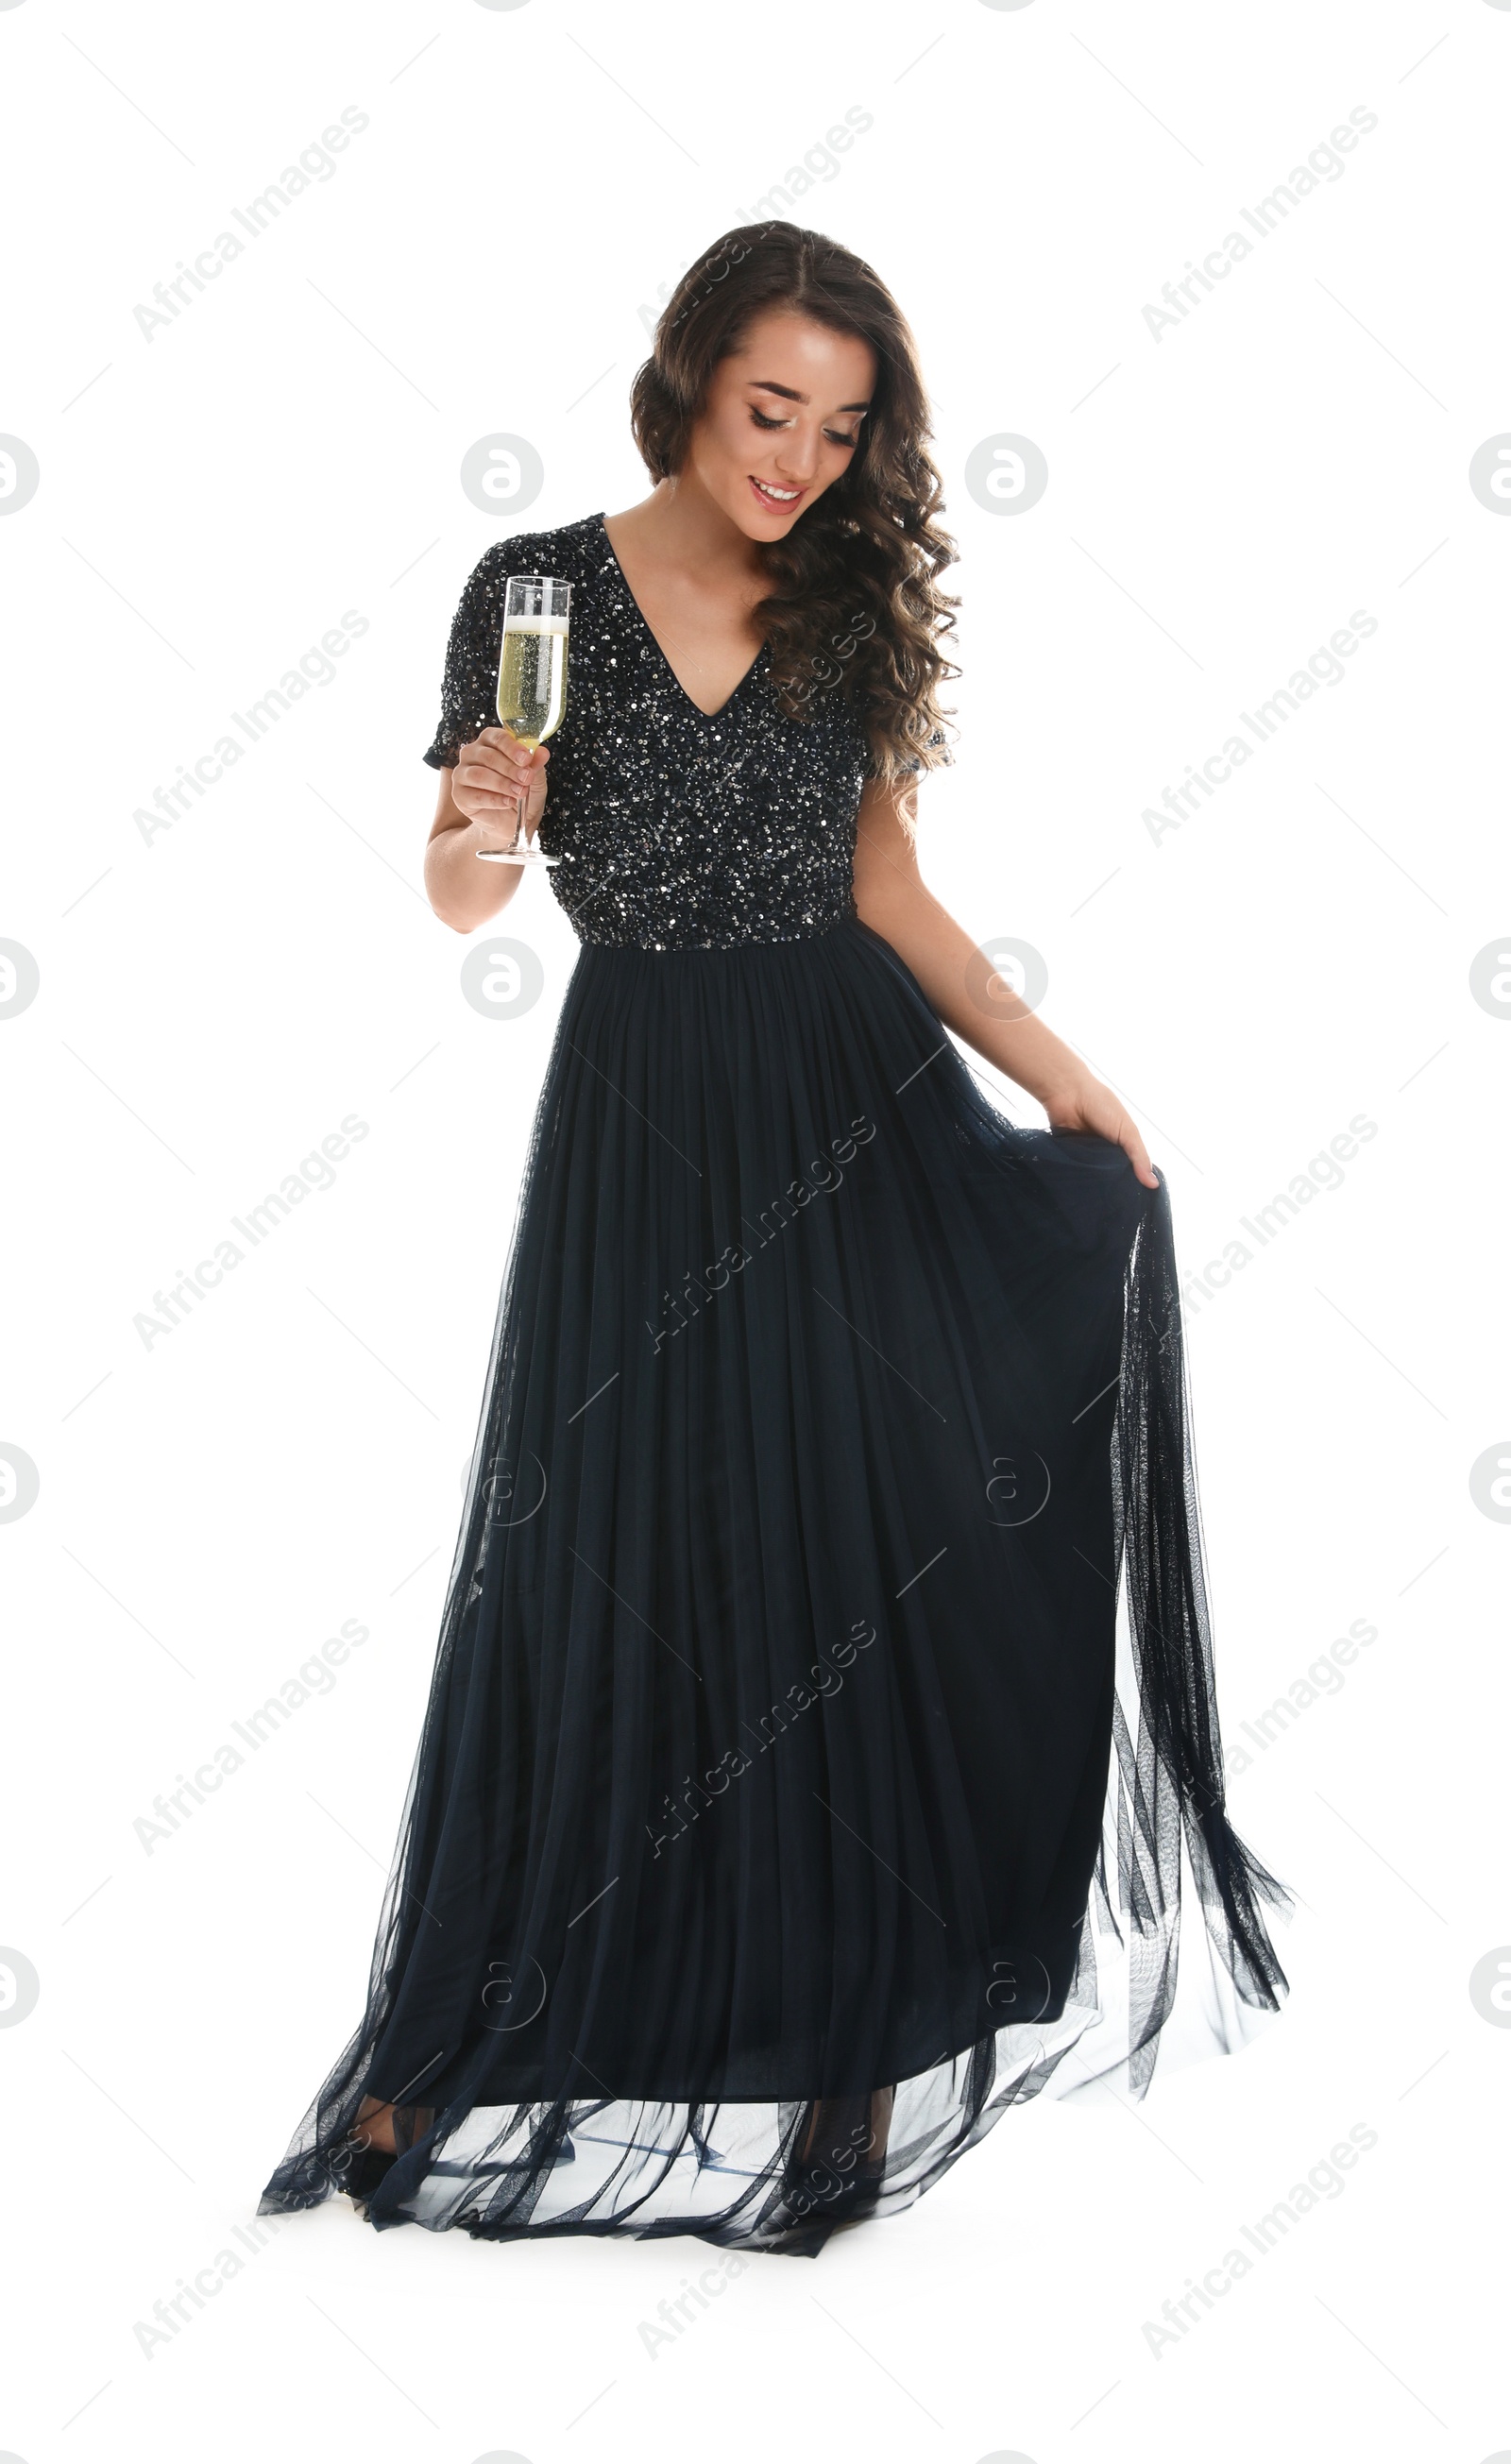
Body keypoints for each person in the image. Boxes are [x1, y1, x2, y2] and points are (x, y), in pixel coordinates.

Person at [260, 221, 1289, 2258]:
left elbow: (889, 886)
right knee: (597, 1561)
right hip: (645, 1106)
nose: (797, 463)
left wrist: (1058, 1068)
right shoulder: (534, 590)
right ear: (690, 378)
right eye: (766, 412)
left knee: (859, 1547)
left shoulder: (839, 610)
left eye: (837, 429)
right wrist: (481, 810)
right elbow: (469, 898)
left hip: (854, 1089)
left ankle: (849, 2042)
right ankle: (446, 2046)